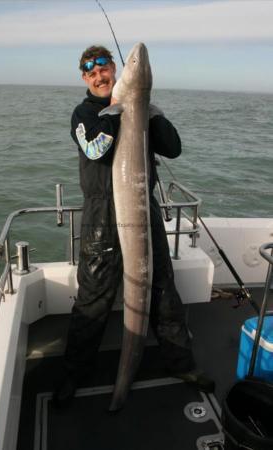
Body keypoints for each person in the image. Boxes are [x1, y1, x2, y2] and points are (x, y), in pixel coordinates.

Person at [53, 45, 214, 408]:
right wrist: (119, 111)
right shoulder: (84, 113)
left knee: (162, 291)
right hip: (102, 219)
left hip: (144, 208)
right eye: (90, 71)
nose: (99, 75)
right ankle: (73, 376)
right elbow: (96, 150)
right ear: (84, 78)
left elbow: (173, 148)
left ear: (116, 70)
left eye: (104, 68)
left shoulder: (144, 110)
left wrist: (148, 112)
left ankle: (182, 364)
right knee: (93, 300)